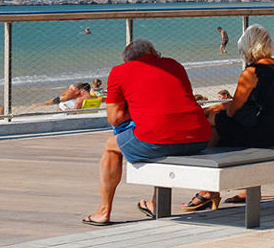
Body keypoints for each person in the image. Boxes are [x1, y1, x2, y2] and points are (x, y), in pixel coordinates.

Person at [81, 38, 211, 226]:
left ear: (127, 59)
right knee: (163, 138)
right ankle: (154, 203)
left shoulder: (119, 72)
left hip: (160, 139)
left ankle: (103, 211)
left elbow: (114, 118)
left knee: (111, 146)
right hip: (199, 136)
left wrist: (133, 110)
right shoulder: (173, 65)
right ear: (151, 50)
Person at [183, 24, 274, 214]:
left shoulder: (251, 72)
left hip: (261, 135)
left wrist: (215, 110)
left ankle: (209, 190)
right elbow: (261, 102)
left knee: (213, 122)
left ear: (248, 48)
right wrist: (221, 106)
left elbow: (233, 112)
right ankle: (213, 190)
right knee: (217, 118)